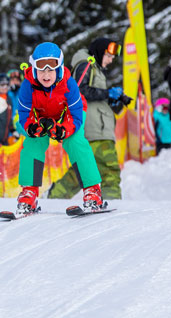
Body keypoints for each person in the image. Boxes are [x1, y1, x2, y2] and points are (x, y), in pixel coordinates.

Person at [15, 42, 106, 216]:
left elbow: (77, 115)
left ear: (59, 67)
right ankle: (29, 193)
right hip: (40, 117)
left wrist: (63, 130)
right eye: (41, 68)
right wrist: (32, 127)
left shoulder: (68, 83)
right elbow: (24, 113)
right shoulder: (28, 85)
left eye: (52, 68)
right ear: (34, 69)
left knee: (76, 142)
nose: (46, 74)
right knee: (33, 143)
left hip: (68, 116)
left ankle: (93, 191)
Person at [48, 38, 124, 200]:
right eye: (109, 56)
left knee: (83, 169)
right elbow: (78, 91)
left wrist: (113, 100)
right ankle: (113, 201)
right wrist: (107, 93)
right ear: (100, 51)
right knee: (110, 170)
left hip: (97, 127)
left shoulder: (93, 67)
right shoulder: (85, 65)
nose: (111, 60)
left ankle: (56, 195)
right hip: (95, 129)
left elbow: (91, 96)